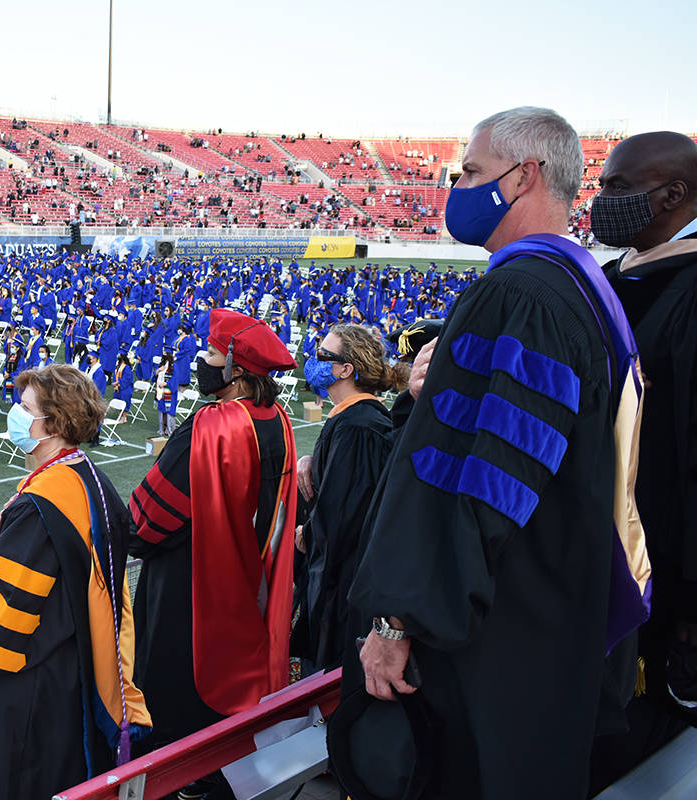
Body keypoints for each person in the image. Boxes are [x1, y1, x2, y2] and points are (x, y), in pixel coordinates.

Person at [344, 107, 652, 799]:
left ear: (525, 176)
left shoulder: (518, 295)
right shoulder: (583, 289)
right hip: (557, 607)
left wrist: (400, 619)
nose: (460, 186)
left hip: (497, 635)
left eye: (474, 172)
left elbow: (482, 482)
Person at [0, 364, 152, 800]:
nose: (14, 413)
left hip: (33, 690)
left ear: (51, 423)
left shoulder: (42, 505)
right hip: (76, 670)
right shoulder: (91, 480)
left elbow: (5, 630)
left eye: (24, 407)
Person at [129, 308, 300, 800]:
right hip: (251, 584)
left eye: (212, 354)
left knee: (178, 711)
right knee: (230, 713)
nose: (202, 361)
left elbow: (146, 522)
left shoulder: (211, 426)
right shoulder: (277, 420)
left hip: (189, 590)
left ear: (237, 370)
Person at [588, 131, 697, 790]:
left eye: (618, 187)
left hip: (666, 569)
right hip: (601, 552)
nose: (602, 201)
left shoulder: (687, 289)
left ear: (675, 194)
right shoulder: (611, 276)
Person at [292, 324, 404, 672]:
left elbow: (344, 516)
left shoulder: (359, 428)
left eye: (325, 356)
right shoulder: (351, 420)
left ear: (345, 369)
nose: (315, 361)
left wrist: (306, 535)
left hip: (345, 589)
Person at [153, 352, 178, 436]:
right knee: (162, 409)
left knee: (168, 410)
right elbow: (155, 376)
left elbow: (175, 379)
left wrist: (166, 383)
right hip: (161, 392)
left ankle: (169, 429)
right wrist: (158, 371)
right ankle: (162, 428)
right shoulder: (162, 365)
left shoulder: (174, 366)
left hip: (169, 393)